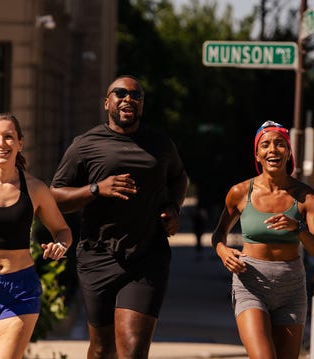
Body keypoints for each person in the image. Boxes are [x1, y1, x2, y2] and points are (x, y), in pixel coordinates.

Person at [50, 75, 188, 359]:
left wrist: (173, 207)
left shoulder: (160, 143)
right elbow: (56, 196)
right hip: (97, 256)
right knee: (102, 348)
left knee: (133, 347)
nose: (128, 99)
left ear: (141, 105)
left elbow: (179, 177)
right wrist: (96, 189)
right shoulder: (84, 145)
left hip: (146, 256)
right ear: (107, 102)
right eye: (120, 93)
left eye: (136, 95)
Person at [0, 113, 73, 359]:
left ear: (20, 143)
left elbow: (63, 230)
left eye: (9, 137)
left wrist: (60, 245)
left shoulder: (35, 188)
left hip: (20, 288)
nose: (2, 143)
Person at [212, 120, 314, 359]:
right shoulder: (239, 192)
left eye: (280, 144)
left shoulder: (305, 197)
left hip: (291, 286)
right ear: (257, 154)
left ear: (288, 152)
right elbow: (218, 234)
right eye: (265, 144)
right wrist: (223, 251)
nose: (273, 149)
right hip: (251, 282)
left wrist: (298, 228)